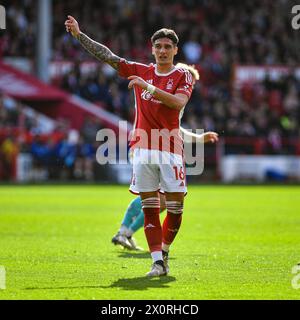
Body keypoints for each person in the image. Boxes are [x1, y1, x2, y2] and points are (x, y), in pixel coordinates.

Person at [65, 16, 198, 276]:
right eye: (158, 46)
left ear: (175, 50)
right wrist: (80, 36)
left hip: (170, 147)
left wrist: (147, 86)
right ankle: (157, 262)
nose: (162, 51)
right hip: (143, 147)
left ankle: (165, 250)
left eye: (167, 47)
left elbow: (177, 103)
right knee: (150, 207)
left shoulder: (182, 75)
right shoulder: (141, 69)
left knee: (175, 208)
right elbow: (109, 56)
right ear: (152, 49)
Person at [111, 63, 219, 251]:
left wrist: (200, 138)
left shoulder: (173, 100)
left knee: (157, 201)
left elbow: (176, 130)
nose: (188, 88)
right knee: (155, 200)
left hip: (155, 147)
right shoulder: (163, 91)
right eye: (189, 82)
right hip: (146, 146)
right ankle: (124, 233)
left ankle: (124, 232)